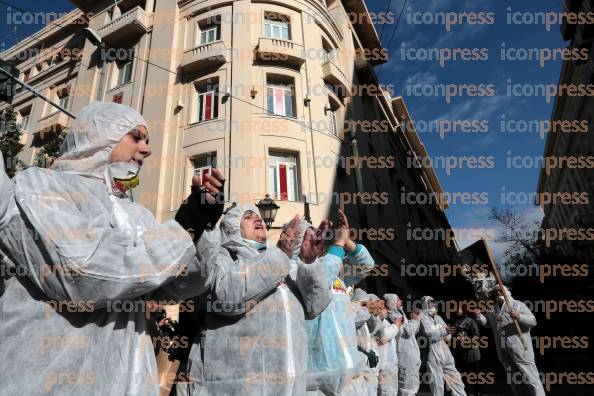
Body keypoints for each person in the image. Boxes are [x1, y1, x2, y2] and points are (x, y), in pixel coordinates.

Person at [0, 102, 225, 395]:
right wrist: (181, 230)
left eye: (148, 141)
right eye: (136, 137)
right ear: (99, 136)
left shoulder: (137, 214)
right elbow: (80, 274)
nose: (146, 149)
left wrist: (201, 228)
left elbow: (184, 285)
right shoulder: (41, 186)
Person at [183, 205, 331, 396]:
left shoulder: (282, 262)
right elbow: (224, 295)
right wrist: (280, 254)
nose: (258, 219)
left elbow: (315, 306)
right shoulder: (223, 256)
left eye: (258, 216)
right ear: (232, 227)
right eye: (248, 216)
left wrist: (309, 263)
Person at [304, 210, 376, 396]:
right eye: (312, 237)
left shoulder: (338, 272)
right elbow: (317, 284)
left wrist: (346, 239)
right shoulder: (298, 272)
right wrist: (338, 244)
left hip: (351, 373)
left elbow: (367, 265)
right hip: (322, 380)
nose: (319, 240)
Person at [474, 285, 545, 396]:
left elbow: (533, 321)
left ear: (507, 291)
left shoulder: (518, 305)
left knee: (530, 377)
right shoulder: (493, 309)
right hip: (502, 349)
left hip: (520, 348)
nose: (498, 293)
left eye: (500, 290)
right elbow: (488, 324)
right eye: (496, 291)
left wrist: (519, 316)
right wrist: (479, 316)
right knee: (513, 379)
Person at [418, 296, 467, 396]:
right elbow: (428, 334)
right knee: (437, 385)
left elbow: (447, 335)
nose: (434, 304)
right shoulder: (421, 316)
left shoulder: (438, 317)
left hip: (445, 352)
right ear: (425, 303)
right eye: (431, 302)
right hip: (432, 353)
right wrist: (444, 331)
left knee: (456, 380)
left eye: (434, 302)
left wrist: (452, 336)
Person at [383, 293, 421, 396]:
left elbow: (413, 332)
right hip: (405, 356)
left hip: (411, 356)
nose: (401, 302)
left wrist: (415, 320)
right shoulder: (393, 315)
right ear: (393, 302)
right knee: (406, 388)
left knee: (412, 386)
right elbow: (409, 331)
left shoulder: (400, 313)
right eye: (399, 300)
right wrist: (415, 320)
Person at [350, 288, 379, 396]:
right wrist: (366, 310)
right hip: (358, 364)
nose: (367, 307)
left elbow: (374, 328)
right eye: (364, 304)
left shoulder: (364, 317)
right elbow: (353, 319)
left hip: (365, 364)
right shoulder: (353, 315)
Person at [453, 303, 482, 396]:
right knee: (464, 376)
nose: (457, 310)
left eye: (459, 309)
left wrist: (468, 342)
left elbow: (476, 335)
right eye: (456, 309)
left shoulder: (470, 320)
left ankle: (478, 393)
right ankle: (465, 394)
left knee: (475, 375)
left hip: (472, 351)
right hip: (461, 352)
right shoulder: (455, 321)